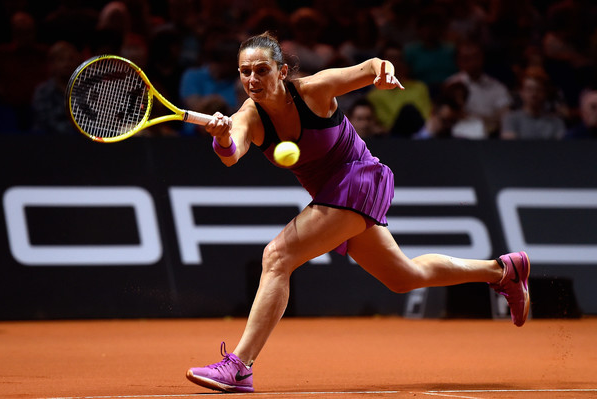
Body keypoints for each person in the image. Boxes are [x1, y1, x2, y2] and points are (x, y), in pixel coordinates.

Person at [185, 32, 531, 393]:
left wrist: (383, 72)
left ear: (282, 71)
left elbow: (369, 67)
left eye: (261, 70)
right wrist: (223, 137)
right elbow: (231, 154)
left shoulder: (315, 90)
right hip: (331, 195)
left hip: (359, 177)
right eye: (245, 72)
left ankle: (240, 366)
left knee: (277, 256)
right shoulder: (249, 116)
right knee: (404, 277)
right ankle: (504, 270)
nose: (253, 79)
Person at [501, 67, 566, 140]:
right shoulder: (511, 119)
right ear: (521, 93)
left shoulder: (556, 122)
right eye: (529, 89)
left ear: (545, 93)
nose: (534, 94)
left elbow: (560, 149)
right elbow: (509, 148)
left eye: (538, 90)